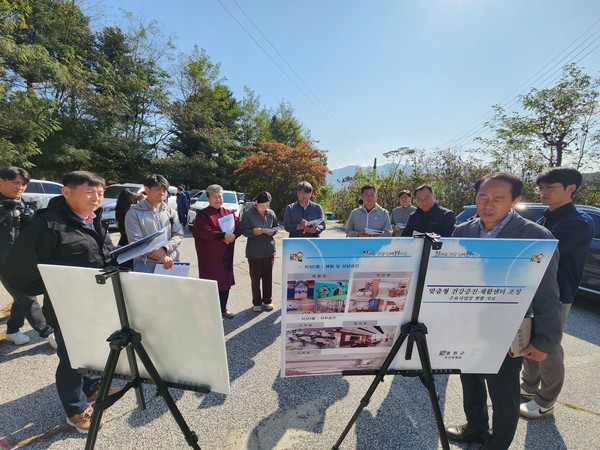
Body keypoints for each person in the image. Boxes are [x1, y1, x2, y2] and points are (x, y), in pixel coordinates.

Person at [446, 172, 562, 450]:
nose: (488, 204)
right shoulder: (463, 231)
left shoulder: (535, 237)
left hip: (508, 329)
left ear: (516, 200)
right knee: (470, 379)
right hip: (467, 324)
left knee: (503, 391)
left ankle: (497, 443)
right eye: (482, 197)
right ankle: (475, 426)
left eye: (498, 198)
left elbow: (548, 296)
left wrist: (545, 340)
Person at [5, 171, 119, 433]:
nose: (96, 198)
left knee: (93, 349)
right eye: (89, 191)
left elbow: (105, 253)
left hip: (97, 299)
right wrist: (52, 286)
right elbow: (17, 270)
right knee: (72, 358)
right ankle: (75, 410)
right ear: (66, 192)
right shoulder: (47, 225)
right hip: (67, 305)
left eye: (100, 193)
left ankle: (91, 388)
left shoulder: (94, 219)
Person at [520, 167, 594, 419]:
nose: (543, 192)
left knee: (548, 347)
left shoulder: (578, 222)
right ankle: (528, 387)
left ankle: (546, 401)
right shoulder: (547, 218)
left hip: (557, 294)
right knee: (528, 341)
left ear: (571, 188)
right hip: (533, 291)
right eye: (541, 187)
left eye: (550, 187)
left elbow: (538, 254)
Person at [0, 166, 55, 348]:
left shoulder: (27, 202)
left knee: (21, 295)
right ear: (1, 181)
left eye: (23, 184)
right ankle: (48, 332)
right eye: (15, 182)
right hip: (4, 260)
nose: (20, 187)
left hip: (26, 258)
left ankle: (13, 330)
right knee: (27, 295)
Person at [192, 184, 242, 319]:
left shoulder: (229, 213)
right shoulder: (203, 214)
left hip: (225, 256)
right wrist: (223, 235)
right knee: (210, 284)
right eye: (214, 197)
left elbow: (239, 227)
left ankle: (223, 309)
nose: (218, 199)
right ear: (208, 198)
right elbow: (204, 232)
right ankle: (208, 311)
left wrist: (233, 236)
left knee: (225, 282)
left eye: (220, 196)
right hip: (209, 257)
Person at [124, 174, 183, 273]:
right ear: (146, 189)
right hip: (146, 265)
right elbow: (136, 241)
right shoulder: (134, 213)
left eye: (164, 190)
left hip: (171, 261)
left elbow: (178, 234)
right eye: (157, 189)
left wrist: (165, 248)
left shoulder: (171, 212)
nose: (162, 193)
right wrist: (161, 256)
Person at [241, 191, 278, 312]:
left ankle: (268, 301)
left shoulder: (271, 213)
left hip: (269, 250)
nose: (265, 208)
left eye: (267, 205)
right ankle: (256, 302)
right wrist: (254, 232)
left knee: (268, 277)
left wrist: (272, 231)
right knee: (255, 279)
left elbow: (276, 226)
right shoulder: (247, 214)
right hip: (254, 251)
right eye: (262, 206)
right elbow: (244, 230)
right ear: (256, 203)